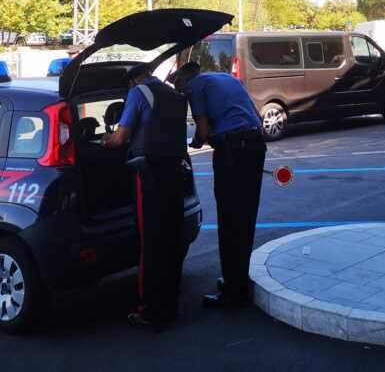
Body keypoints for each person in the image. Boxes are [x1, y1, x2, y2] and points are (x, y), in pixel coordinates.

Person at [171, 60, 266, 308]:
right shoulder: (227, 79)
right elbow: (255, 114)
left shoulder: (194, 88)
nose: (180, 92)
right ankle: (238, 281)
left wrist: (192, 144)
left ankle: (233, 295)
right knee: (245, 216)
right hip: (256, 144)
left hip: (233, 150)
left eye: (177, 86)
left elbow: (201, 131)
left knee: (229, 217)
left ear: (183, 80)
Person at [103, 64, 188, 332]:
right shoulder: (174, 95)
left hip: (151, 174)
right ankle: (170, 304)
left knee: (151, 242)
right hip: (176, 171)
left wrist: (106, 139)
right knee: (172, 239)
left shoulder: (139, 93)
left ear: (132, 81)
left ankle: (150, 311)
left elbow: (121, 138)